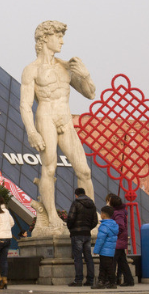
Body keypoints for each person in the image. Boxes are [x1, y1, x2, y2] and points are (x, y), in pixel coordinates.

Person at [20, 21, 96, 235]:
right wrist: (32, 131)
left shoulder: (66, 66)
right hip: (45, 117)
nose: (62, 41)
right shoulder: (31, 69)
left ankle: (90, 220)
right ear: (45, 39)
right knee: (49, 167)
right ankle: (52, 218)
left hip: (65, 118)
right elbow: (25, 105)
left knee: (84, 170)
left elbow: (90, 93)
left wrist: (85, 74)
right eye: (58, 36)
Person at [67, 187, 98, 287]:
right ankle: (90, 280)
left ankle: (78, 280)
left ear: (76, 194)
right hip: (87, 234)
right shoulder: (92, 204)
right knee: (88, 257)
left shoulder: (76, 203)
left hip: (77, 234)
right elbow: (95, 221)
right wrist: (88, 228)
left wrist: (71, 228)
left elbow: (71, 218)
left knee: (78, 258)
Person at [107, 194, 134, 286]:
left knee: (112, 261)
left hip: (117, 240)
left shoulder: (117, 213)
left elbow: (120, 226)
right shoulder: (119, 211)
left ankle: (111, 281)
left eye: (108, 201)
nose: (107, 203)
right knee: (122, 262)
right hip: (120, 240)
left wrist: (113, 234)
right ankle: (129, 280)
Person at [92, 205, 119, 289]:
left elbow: (100, 240)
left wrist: (96, 250)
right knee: (104, 267)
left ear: (103, 214)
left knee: (106, 267)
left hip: (104, 250)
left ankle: (111, 282)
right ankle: (102, 281)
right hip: (110, 250)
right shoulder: (113, 225)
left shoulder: (104, 226)